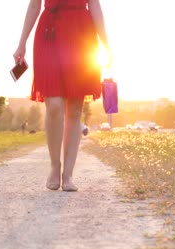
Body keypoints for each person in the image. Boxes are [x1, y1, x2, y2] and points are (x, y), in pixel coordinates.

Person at [13, 0, 111, 192]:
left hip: (81, 34)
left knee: (75, 108)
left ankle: (68, 174)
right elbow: (34, 5)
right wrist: (21, 43)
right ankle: (54, 167)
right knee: (55, 105)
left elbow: (95, 6)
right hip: (49, 33)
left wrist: (105, 44)